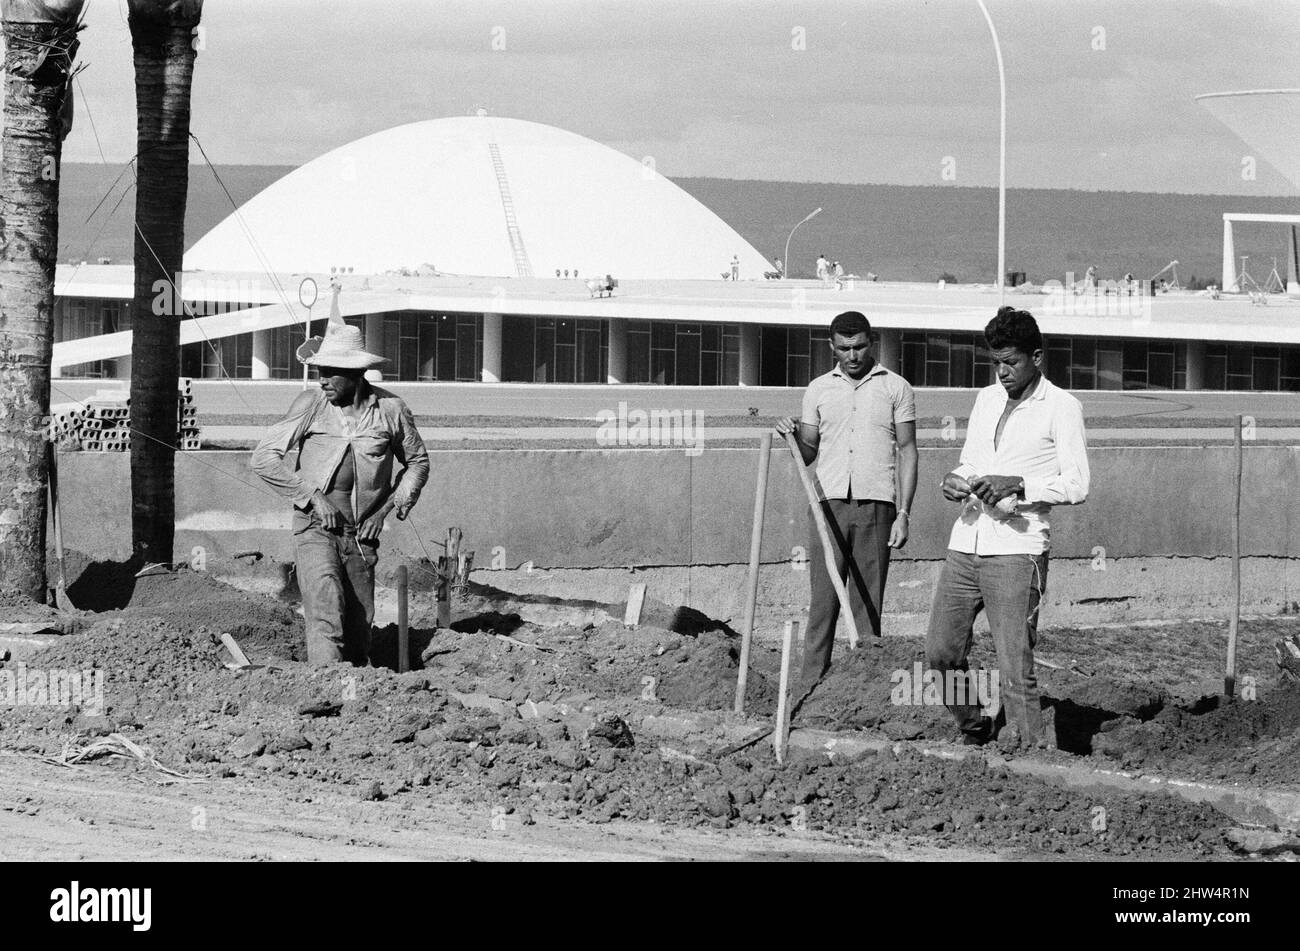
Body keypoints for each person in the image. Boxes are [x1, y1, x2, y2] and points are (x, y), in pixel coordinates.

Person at [927, 306, 1089, 751]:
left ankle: (1029, 753)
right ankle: (977, 727)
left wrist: (1018, 483)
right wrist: (954, 479)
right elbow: (972, 460)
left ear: (1037, 357)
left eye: (1011, 362)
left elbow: (1078, 485)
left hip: (1018, 548)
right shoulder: (986, 399)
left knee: (1014, 663)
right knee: (940, 654)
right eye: (995, 361)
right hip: (967, 540)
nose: (1002, 372)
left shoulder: (1062, 407)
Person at [251, 324, 430, 666]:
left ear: (358, 373)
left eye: (332, 373)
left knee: (358, 629)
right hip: (316, 528)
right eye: (320, 372)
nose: (322, 381)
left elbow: (418, 462)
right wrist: (312, 496)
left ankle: (357, 701)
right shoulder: (311, 404)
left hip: (362, 537)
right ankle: (326, 690)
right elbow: (263, 458)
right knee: (325, 608)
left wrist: (385, 511)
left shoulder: (391, 409)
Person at [776, 310, 918, 696]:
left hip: (878, 507)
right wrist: (791, 436)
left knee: (868, 605)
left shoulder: (897, 388)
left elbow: (907, 450)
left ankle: (866, 691)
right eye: (843, 348)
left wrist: (903, 514)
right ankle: (809, 688)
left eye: (858, 347)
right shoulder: (818, 389)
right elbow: (807, 453)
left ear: (872, 342)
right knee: (823, 604)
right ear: (832, 347)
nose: (852, 356)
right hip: (828, 507)